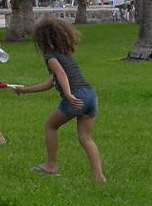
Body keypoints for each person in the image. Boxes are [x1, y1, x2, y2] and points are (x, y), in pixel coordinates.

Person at [7, 17, 106, 183]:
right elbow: (51, 82)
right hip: (90, 95)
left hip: (76, 95)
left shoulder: (50, 56)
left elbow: (61, 75)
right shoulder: (65, 55)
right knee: (86, 138)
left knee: (50, 126)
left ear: (41, 39)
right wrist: (25, 90)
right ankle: (99, 176)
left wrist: (68, 94)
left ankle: (51, 166)